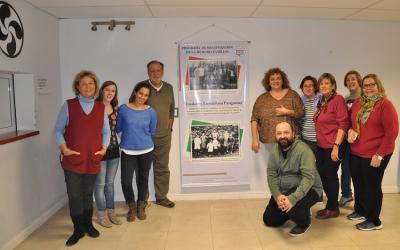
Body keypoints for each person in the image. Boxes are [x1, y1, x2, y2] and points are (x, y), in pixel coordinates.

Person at [54, 70, 110, 246]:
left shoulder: (101, 108)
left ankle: (88, 225)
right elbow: (57, 129)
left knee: (87, 194)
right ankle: (78, 229)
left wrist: (104, 149)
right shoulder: (69, 105)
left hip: (92, 158)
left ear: (95, 87)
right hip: (73, 160)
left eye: (91, 83)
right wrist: (64, 148)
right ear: (77, 86)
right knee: (74, 195)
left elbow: (106, 131)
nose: (88, 86)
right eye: (84, 83)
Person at [347, 74, 398, 230]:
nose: (368, 88)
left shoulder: (385, 105)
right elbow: (353, 124)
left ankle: (374, 220)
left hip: (376, 154)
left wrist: (379, 155)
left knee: (372, 186)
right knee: (358, 183)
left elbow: (392, 132)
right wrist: (350, 131)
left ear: (378, 85)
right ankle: (361, 210)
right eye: (365, 85)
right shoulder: (358, 103)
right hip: (356, 152)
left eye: (371, 85)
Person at [263, 122, 322, 237]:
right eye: (279, 133)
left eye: (286, 132)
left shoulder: (304, 150)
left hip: (310, 188)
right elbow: (271, 174)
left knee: (293, 207)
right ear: (275, 135)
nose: (282, 136)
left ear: (293, 134)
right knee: (269, 220)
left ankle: (305, 221)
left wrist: (292, 199)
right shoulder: (275, 150)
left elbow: (308, 178)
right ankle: (293, 210)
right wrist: (278, 195)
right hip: (285, 189)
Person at [137, 60, 176, 208]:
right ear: (148, 72)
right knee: (144, 169)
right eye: (152, 71)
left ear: (162, 71)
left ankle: (161, 197)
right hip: (145, 137)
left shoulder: (169, 88)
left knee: (162, 168)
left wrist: (170, 124)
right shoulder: (142, 87)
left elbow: (172, 109)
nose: (155, 73)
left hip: (165, 136)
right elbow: (133, 107)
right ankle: (143, 200)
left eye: (158, 70)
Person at [117, 82, 157, 222]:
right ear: (135, 92)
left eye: (146, 95)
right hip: (128, 150)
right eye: (141, 93)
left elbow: (152, 131)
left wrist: (141, 141)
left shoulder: (151, 111)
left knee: (143, 179)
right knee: (126, 181)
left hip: (146, 150)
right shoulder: (123, 109)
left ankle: (141, 206)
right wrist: (128, 139)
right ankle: (131, 206)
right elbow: (118, 128)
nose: (142, 97)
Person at [314, 73, 349, 219]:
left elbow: (343, 124)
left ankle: (333, 208)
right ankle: (331, 205)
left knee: (330, 176)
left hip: (333, 145)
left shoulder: (338, 99)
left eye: (326, 83)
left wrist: (336, 146)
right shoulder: (322, 101)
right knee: (323, 176)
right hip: (321, 145)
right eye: (321, 83)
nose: (323, 86)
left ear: (333, 85)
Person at [251, 67, 304, 153]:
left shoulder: (292, 95)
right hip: (269, 141)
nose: (275, 81)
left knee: (290, 165)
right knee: (275, 165)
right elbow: (254, 119)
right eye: (272, 79)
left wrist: (287, 112)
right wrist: (254, 139)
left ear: (283, 80)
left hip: (289, 140)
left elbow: (301, 113)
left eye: (278, 78)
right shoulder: (262, 99)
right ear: (268, 82)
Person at [94, 81, 121, 228]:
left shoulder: (115, 109)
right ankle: (101, 214)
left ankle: (111, 212)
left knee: (109, 184)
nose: (110, 93)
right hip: (100, 151)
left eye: (113, 91)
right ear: (101, 91)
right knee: (100, 184)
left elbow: (117, 130)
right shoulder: (95, 108)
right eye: (107, 90)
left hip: (114, 151)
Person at [338, 70, 362, 207]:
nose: (350, 82)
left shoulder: (365, 97)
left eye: (353, 79)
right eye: (348, 80)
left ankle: (362, 199)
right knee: (346, 168)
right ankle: (346, 194)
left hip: (361, 140)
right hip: (347, 141)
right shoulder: (345, 99)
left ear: (359, 80)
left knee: (359, 170)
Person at [299, 75, 321, 155]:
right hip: (304, 139)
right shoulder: (300, 101)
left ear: (315, 87)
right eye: (305, 86)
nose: (308, 88)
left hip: (317, 140)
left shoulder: (322, 100)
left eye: (311, 85)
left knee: (316, 165)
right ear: (302, 88)